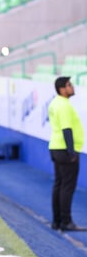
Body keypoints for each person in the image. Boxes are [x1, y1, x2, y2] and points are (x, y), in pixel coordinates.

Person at [48, 76, 85, 231]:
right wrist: (71, 152)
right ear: (62, 89)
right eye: (69, 85)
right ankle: (66, 221)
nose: (72, 87)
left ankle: (57, 221)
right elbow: (67, 130)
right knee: (67, 187)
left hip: (56, 147)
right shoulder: (63, 106)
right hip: (64, 149)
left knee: (59, 184)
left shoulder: (56, 103)